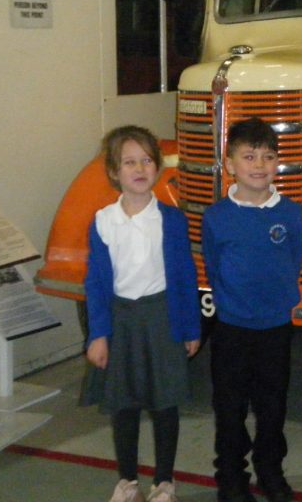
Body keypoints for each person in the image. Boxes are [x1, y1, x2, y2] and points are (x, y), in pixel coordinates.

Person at [83, 126, 201, 502]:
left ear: (158, 167)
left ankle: (164, 481)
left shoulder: (171, 219)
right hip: (121, 321)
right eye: (129, 162)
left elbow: (184, 276)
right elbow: (96, 284)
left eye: (146, 160)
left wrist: (189, 327)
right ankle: (128, 480)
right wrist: (98, 334)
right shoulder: (103, 220)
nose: (139, 168)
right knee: (124, 404)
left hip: (162, 318)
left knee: (165, 403)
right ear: (115, 171)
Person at [202, 117, 302, 502]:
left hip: (275, 327)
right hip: (231, 328)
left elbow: (294, 257)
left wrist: (277, 302)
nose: (259, 165)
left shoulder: (290, 214)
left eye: (268, 156)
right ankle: (231, 475)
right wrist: (233, 304)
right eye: (249, 156)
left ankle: (270, 470)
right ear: (230, 164)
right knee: (229, 408)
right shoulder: (216, 217)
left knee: (272, 406)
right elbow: (214, 266)